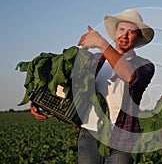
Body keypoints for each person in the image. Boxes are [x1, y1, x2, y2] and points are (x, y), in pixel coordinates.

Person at [31, 9, 155, 164]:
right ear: (115, 33)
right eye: (121, 30)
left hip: (123, 138)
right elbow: (66, 84)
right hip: (90, 134)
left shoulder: (144, 65)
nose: (124, 35)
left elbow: (130, 76)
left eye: (131, 32)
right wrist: (37, 99)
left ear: (138, 39)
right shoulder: (95, 60)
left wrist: (100, 43)